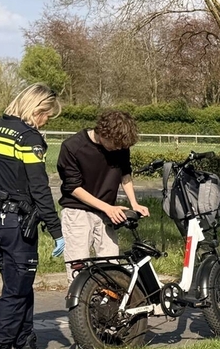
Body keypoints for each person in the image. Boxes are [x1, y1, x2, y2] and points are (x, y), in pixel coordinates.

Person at [0, 84, 64, 349]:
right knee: (16, 289)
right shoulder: (29, 139)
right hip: (16, 222)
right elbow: (39, 188)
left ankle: (25, 345)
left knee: (19, 284)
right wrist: (56, 230)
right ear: (37, 110)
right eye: (47, 116)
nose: (46, 121)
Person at [57, 110, 150, 282]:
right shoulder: (72, 147)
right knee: (78, 269)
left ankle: (107, 307)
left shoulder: (120, 145)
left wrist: (134, 203)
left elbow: (125, 173)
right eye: (115, 145)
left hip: (108, 214)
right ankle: (79, 308)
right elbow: (73, 188)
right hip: (77, 212)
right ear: (103, 132)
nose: (118, 149)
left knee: (112, 267)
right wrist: (107, 207)